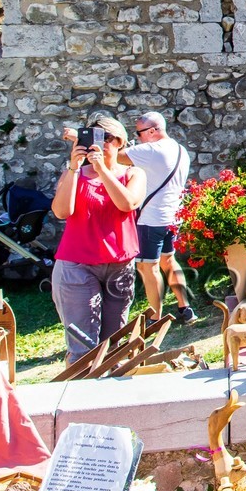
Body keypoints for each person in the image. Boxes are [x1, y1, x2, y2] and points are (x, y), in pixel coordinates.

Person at [51, 117, 145, 364]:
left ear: (120, 142)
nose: (100, 144)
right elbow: (62, 212)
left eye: (107, 139)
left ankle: (109, 398)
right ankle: (80, 394)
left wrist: (102, 170)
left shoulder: (133, 173)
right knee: (83, 346)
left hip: (119, 265)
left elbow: (127, 203)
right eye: (94, 137)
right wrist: (74, 167)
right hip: (77, 265)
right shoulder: (74, 174)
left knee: (113, 343)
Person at [124, 111, 195, 324]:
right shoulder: (180, 149)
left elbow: (113, 157)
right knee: (169, 260)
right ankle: (186, 308)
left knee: (148, 267)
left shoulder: (152, 150)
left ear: (153, 131)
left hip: (151, 218)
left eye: (139, 133)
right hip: (172, 217)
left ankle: (155, 317)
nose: (137, 138)